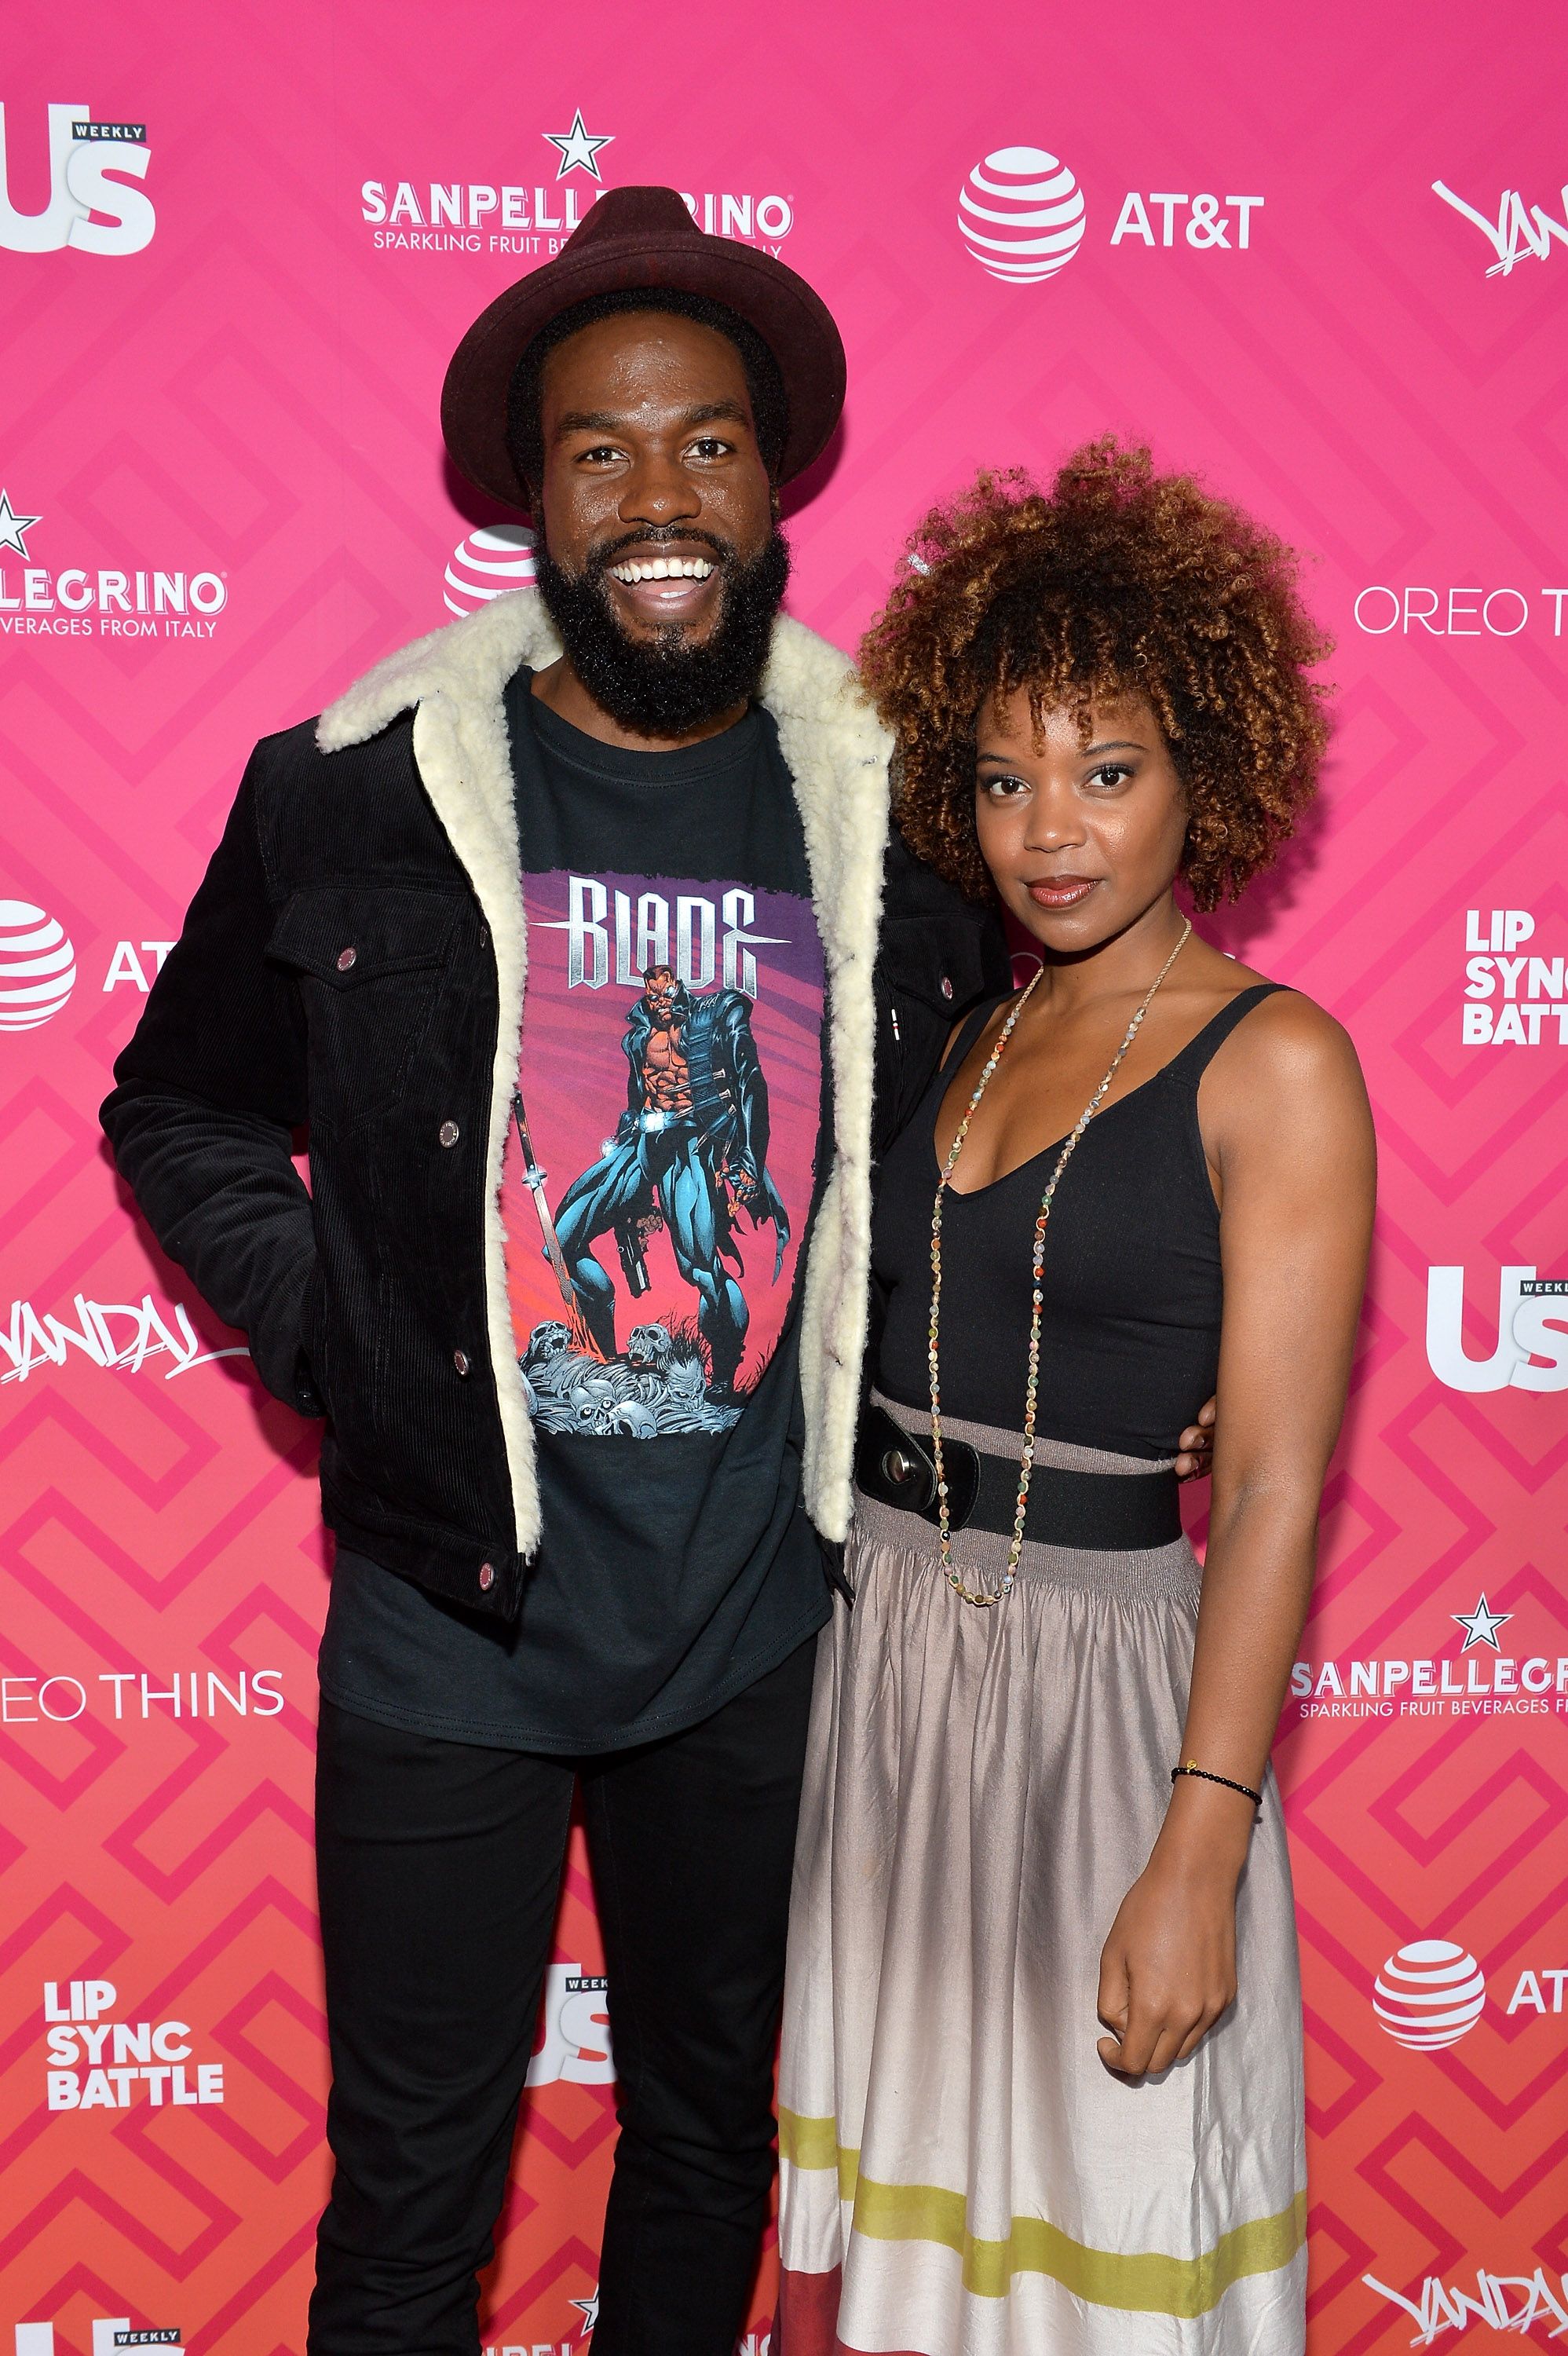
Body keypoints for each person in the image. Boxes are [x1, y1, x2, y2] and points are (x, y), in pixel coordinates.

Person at [100, 186, 1016, 2356]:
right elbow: (177, 1107)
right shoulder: (348, 794)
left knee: (708, 2141)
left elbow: (1002, 1133)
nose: (656, 495)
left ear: (772, 475)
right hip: (450, 1623)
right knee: (414, 2194)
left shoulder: (894, 808)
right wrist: (330, 1322)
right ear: (531, 495)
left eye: (702, 440)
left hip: (757, 1621)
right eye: (597, 450)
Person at [777, 442, 1375, 2356]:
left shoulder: (1277, 1067)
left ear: (1209, 772)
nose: (1055, 828)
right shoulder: (964, 1022)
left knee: (1098, 2248)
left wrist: (1201, 1846)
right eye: (1009, 775)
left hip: (1113, 1711)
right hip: (886, 1685)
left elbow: (1274, 1485)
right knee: (917, 2257)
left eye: (1110, 771)